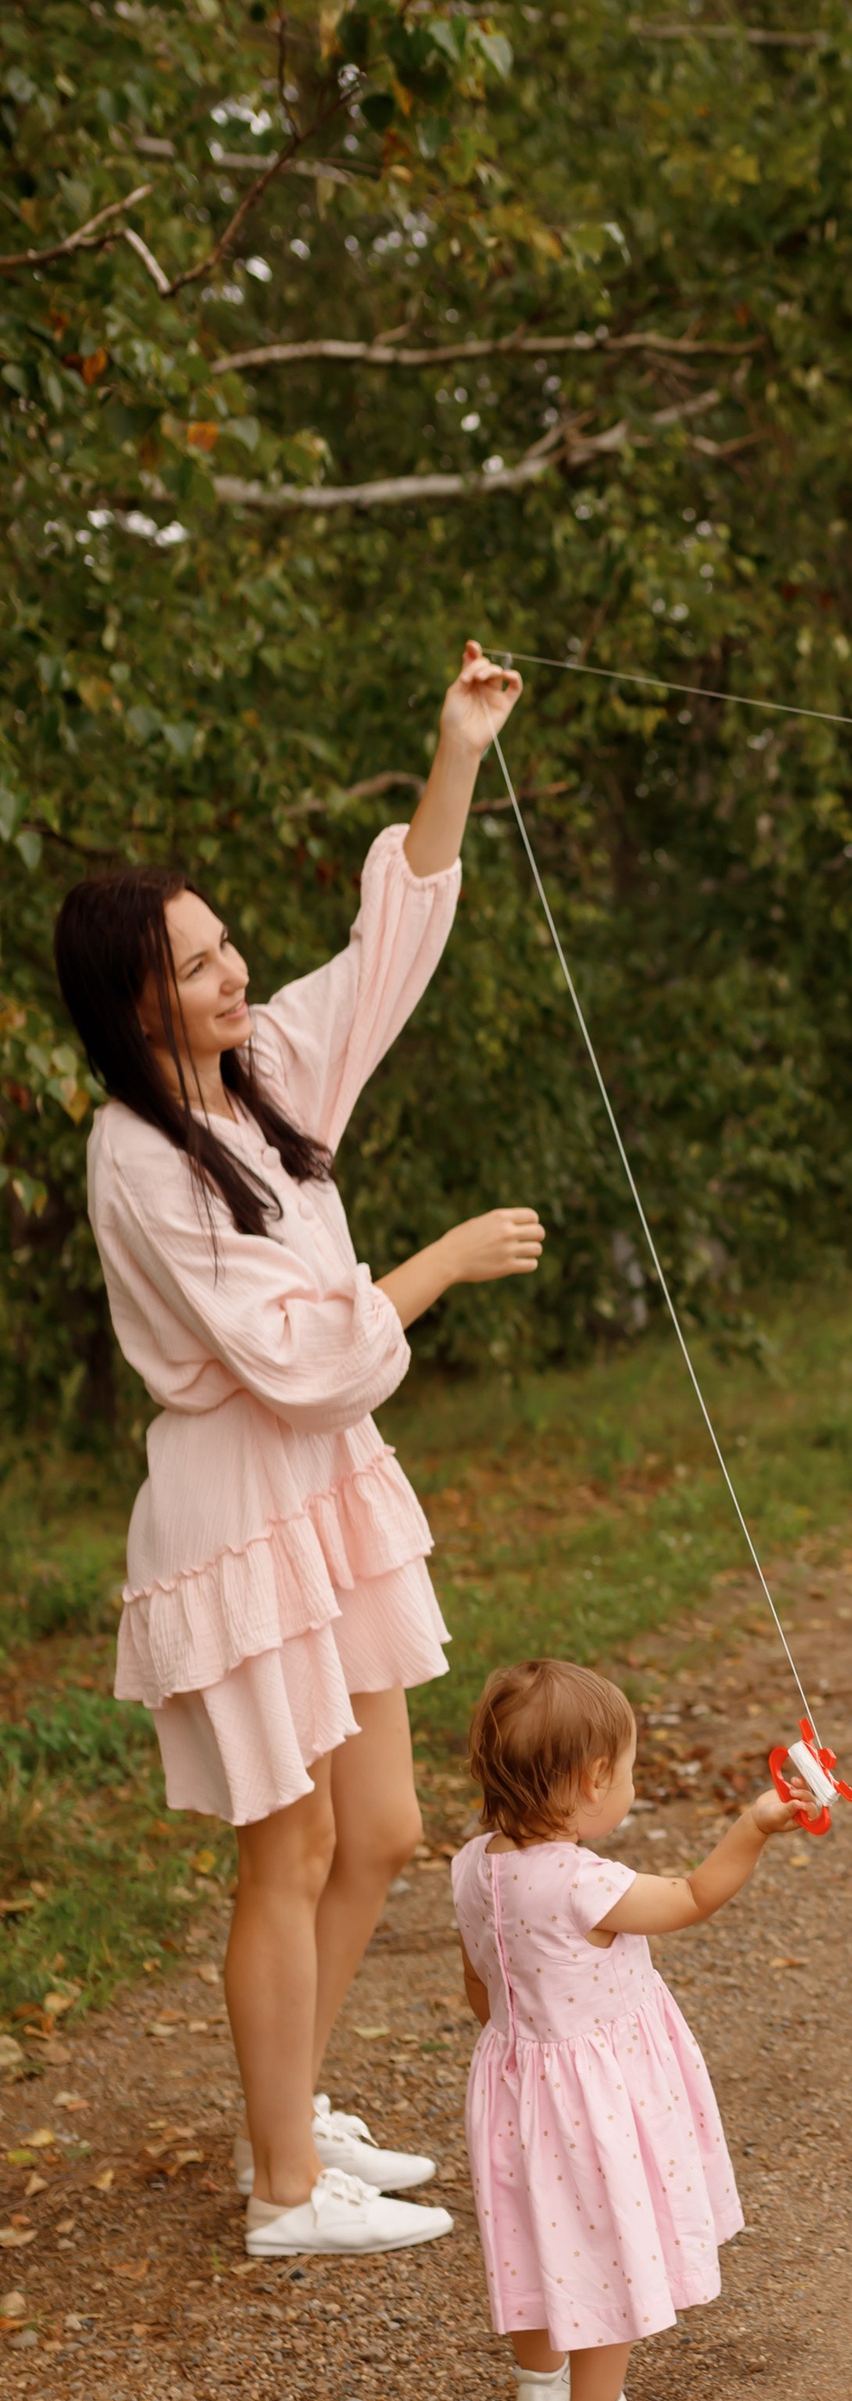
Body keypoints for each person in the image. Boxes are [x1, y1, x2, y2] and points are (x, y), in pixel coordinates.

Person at [51, 642, 547, 2258]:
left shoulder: (258, 1069)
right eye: (193, 966)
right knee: (298, 1842)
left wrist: (456, 747)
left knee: (385, 1828)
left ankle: (296, 2106)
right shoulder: (138, 1155)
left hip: (319, 1492)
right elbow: (290, 1356)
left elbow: (386, 942)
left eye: (222, 948)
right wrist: (438, 1264)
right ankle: (279, 2191)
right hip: (235, 1498)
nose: (229, 973)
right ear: (133, 1001)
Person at [454, 1660, 792, 2401]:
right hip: (588, 2106)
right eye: (631, 1771)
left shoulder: (471, 1866)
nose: (633, 1785)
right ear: (593, 1779)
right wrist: (754, 1824)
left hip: (513, 2091)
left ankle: (537, 2384)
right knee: (604, 2262)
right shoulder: (584, 1884)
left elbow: (480, 1984)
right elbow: (694, 1895)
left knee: (535, 2242)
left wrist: (529, 2043)